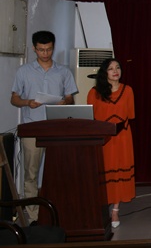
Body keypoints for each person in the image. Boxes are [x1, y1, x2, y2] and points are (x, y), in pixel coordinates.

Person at [10, 30, 78, 225]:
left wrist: (65, 102)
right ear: (34, 48)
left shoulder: (63, 71)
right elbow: (14, 98)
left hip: (57, 128)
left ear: (53, 48)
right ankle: (33, 217)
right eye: (41, 50)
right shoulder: (23, 71)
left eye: (48, 49)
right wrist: (27, 102)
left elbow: (71, 97)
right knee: (30, 173)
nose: (45, 53)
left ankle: (59, 212)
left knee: (58, 171)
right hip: (32, 127)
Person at [87, 58, 136, 228]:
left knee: (120, 170)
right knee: (104, 171)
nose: (115, 71)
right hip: (103, 139)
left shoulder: (128, 90)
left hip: (122, 137)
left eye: (118, 67)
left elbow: (130, 115)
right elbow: (90, 117)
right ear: (104, 72)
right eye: (111, 68)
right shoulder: (94, 92)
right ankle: (102, 205)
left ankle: (115, 209)